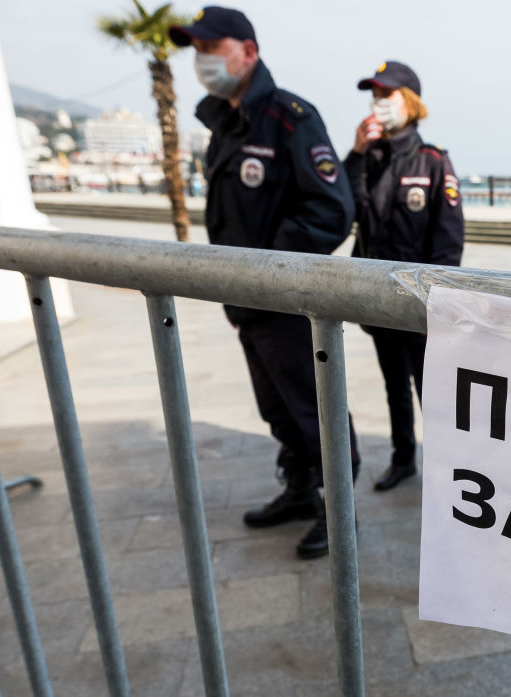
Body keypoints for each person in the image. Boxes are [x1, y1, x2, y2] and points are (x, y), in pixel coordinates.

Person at [168, 7, 359, 558]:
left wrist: (267, 269)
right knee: (277, 408)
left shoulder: (290, 118)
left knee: (314, 410)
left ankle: (339, 512)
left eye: (212, 48)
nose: (202, 60)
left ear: (248, 52)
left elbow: (332, 209)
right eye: (196, 50)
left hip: (284, 301)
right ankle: (299, 489)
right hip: (246, 303)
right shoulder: (226, 123)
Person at [344, 61, 464, 491]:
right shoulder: (367, 159)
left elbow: (448, 242)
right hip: (378, 299)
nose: (378, 102)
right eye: (374, 95)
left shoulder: (433, 161)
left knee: (431, 391)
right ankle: (402, 458)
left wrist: (435, 303)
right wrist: (356, 154)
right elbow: (342, 207)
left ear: (409, 102)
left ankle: (446, 469)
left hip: (419, 306)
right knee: (393, 385)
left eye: (386, 94)